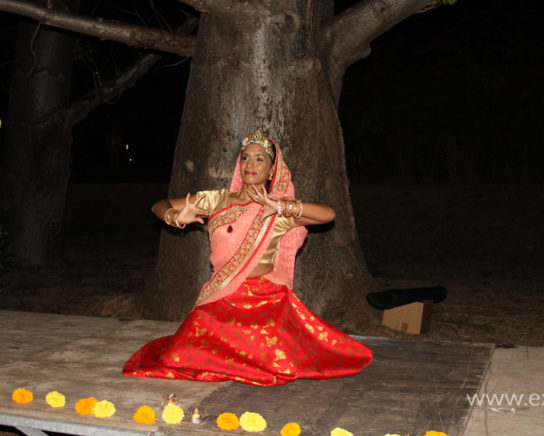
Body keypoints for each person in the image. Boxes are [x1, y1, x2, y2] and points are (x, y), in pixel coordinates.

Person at [122, 129, 373, 386]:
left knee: (279, 360)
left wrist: (280, 206)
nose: (250, 164)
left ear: (273, 170)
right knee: (180, 355)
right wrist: (174, 217)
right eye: (245, 157)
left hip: (267, 300)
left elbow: (328, 214)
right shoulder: (216, 200)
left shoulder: (276, 209)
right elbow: (159, 204)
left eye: (259, 158)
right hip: (223, 295)